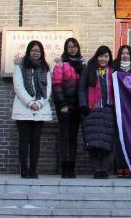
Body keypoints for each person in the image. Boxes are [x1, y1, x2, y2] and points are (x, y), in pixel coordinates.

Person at [11, 40, 52, 179]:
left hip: (40, 109)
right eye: (33, 50)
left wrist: (39, 103)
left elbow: (48, 88)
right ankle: (24, 170)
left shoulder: (45, 68)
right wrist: (30, 102)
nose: (36, 53)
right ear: (29, 51)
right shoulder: (20, 66)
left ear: (42, 53)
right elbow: (18, 87)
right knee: (24, 140)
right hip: (23, 108)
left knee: (35, 141)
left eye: (38, 51)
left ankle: (33, 170)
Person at [79, 45, 115, 179]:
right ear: (96, 57)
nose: (103, 59)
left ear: (109, 58)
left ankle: (104, 169)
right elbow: (81, 89)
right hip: (91, 110)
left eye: (106, 56)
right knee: (93, 142)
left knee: (107, 142)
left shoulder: (113, 72)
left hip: (108, 111)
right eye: (101, 56)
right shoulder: (88, 70)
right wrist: (83, 105)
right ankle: (96, 169)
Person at [52, 37, 84, 178]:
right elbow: (57, 85)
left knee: (73, 137)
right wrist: (62, 103)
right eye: (70, 47)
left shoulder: (82, 64)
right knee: (64, 136)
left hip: (77, 105)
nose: (72, 49)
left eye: (74, 46)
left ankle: (72, 167)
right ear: (66, 48)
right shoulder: (60, 65)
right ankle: (65, 168)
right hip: (64, 105)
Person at [111, 44, 131, 177]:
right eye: (122, 53)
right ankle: (120, 166)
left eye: (127, 53)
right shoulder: (113, 68)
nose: (125, 55)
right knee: (118, 137)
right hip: (117, 107)